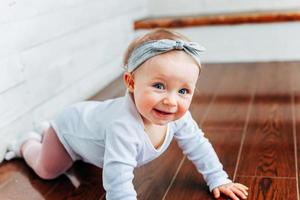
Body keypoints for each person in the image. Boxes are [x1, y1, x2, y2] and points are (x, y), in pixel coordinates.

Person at [1, 29, 248, 200]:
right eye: (159, 86)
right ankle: (28, 142)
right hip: (69, 129)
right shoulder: (123, 127)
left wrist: (218, 178)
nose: (170, 100)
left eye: (183, 90)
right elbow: (118, 183)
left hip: (90, 127)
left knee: (89, 162)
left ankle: (46, 131)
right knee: (49, 170)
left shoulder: (178, 117)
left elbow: (198, 144)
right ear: (130, 82)